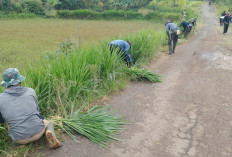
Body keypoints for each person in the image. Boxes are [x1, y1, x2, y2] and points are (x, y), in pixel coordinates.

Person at [0, 68, 61, 149]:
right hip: (37, 133)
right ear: (19, 81)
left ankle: (19, 143)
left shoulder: (1, 98)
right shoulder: (30, 91)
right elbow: (37, 112)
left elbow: (1, 120)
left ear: (6, 84)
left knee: (9, 121)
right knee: (49, 123)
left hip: (18, 139)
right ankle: (50, 132)